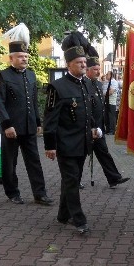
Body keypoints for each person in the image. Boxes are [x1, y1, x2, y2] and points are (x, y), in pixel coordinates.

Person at [44, 31, 102, 235]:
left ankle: (62, 214)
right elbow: (50, 120)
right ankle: (79, 219)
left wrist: (95, 128)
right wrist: (50, 145)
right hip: (65, 144)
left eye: (85, 62)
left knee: (73, 180)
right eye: (79, 63)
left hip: (83, 142)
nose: (84, 66)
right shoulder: (56, 87)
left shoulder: (87, 83)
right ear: (69, 64)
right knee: (72, 181)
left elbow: (88, 111)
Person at [0, 23, 53, 205]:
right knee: (10, 162)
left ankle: (40, 193)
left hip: (28, 127)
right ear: (11, 58)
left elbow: (33, 101)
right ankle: (12, 193)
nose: (24, 59)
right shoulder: (2, 76)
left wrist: (38, 122)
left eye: (26, 56)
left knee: (34, 161)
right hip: (11, 127)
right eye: (20, 56)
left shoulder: (32, 75)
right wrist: (6, 125)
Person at [84, 48, 130, 188]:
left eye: (99, 69)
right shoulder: (83, 85)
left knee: (103, 152)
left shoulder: (98, 84)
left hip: (99, 126)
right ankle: (74, 180)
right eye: (95, 69)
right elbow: (86, 109)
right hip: (87, 127)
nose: (98, 72)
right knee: (80, 156)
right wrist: (92, 126)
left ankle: (114, 177)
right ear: (87, 70)